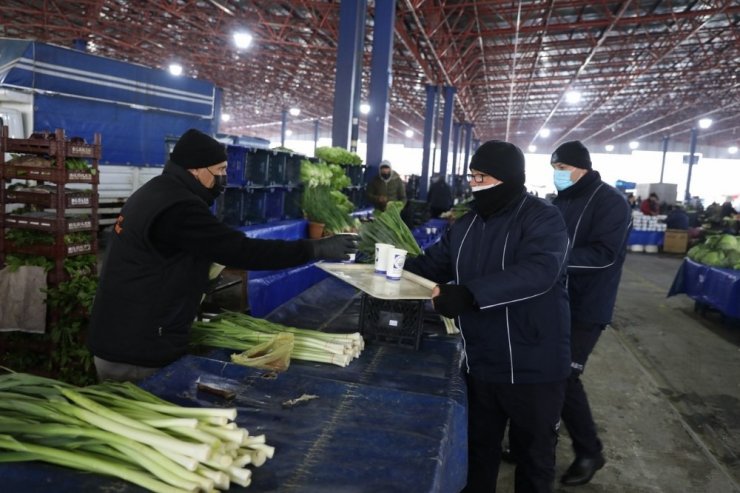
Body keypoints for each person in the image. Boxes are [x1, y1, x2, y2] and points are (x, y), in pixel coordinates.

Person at [88, 129, 358, 383]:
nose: (224, 179)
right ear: (195, 169)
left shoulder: (158, 192)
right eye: (219, 171)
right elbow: (243, 251)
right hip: (138, 347)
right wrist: (315, 249)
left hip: (123, 334)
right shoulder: (179, 207)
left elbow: (164, 255)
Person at [404, 140, 571, 493]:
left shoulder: (543, 217)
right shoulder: (465, 226)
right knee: (479, 455)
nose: (474, 184)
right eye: (472, 176)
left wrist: (469, 295)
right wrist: (392, 268)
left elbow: (540, 271)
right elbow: (433, 265)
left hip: (533, 363)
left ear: (508, 178)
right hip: (483, 362)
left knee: (534, 459)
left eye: (483, 177)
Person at [550, 141, 632, 486]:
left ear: (581, 167)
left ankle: (589, 451)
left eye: (563, 169)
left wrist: (551, 261)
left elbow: (605, 255)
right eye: (554, 169)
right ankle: (541, 439)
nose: (557, 176)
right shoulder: (560, 202)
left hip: (587, 306)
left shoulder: (610, 202)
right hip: (554, 300)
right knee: (544, 372)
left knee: (566, 377)